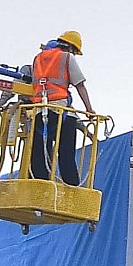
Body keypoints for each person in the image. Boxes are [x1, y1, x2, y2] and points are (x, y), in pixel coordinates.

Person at [24, 29, 89, 186]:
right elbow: (80, 84)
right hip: (61, 111)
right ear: (72, 48)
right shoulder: (67, 57)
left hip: (40, 110)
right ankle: (72, 187)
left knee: (39, 153)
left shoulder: (38, 58)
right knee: (66, 154)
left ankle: (40, 187)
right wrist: (89, 110)